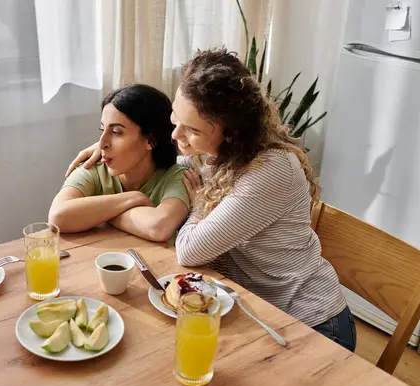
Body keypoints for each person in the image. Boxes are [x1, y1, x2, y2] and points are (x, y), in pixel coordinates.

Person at [65, 48, 356, 351]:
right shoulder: (210, 153)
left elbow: (190, 251)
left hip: (311, 323)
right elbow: (165, 160)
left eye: (191, 130)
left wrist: (200, 202)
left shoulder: (271, 170)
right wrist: (108, 146)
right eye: (175, 119)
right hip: (253, 311)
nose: (176, 135)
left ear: (230, 133)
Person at [49, 84, 190, 243]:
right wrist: (133, 198)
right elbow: (58, 216)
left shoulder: (177, 177)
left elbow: (158, 227)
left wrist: (98, 213)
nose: (101, 144)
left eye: (116, 132)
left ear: (150, 140)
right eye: (102, 130)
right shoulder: (94, 168)